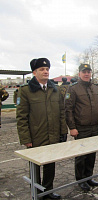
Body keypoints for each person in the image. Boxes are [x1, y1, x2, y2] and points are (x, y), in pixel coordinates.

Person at [16, 58, 68, 199]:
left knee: (50, 165)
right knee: (35, 167)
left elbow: (61, 112)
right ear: (34, 72)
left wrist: (63, 132)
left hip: (53, 134)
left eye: (47, 69)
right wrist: (26, 139)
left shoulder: (55, 89)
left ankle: (48, 191)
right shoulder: (25, 91)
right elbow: (21, 117)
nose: (45, 71)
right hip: (35, 136)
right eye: (42, 69)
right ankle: (37, 193)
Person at [65, 63, 98, 192]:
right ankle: (81, 180)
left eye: (88, 71)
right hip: (80, 128)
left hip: (93, 127)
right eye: (84, 72)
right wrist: (72, 127)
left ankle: (88, 177)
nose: (86, 74)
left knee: (91, 154)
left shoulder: (96, 88)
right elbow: (68, 109)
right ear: (79, 73)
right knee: (81, 156)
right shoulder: (73, 89)